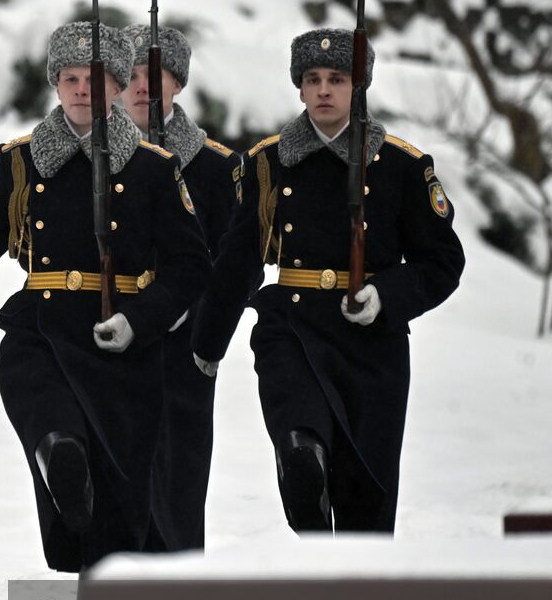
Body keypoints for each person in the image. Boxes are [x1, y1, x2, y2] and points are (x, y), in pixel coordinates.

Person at [0, 21, 211, 571]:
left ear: (119, 87)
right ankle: (57, 453)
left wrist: (139, 320)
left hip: (122, 350)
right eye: (68, 78)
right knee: (54, 428)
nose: (79, 90)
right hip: (40, 333)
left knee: (116, 518)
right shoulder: (19, 164)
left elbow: (191, 267)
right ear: (54, 84)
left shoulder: (153, 170)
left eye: (93, 80)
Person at [191, 27, 464, 533]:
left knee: (367, 498)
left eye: (337, 79)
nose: (323, 90)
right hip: (292, 325)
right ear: (298, 87)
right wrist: (206, 345)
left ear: (358, 88)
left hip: (372, 345)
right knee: (301, 432)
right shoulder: (268, 163)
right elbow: (238, 259)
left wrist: (386, 295)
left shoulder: (401, 167)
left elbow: (443, 260)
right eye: (312, 79)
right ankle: (301, 469)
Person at [121, 23, 245, 550]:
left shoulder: (216, 167)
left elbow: (235, 259)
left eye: (159, 75)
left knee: (178, 476)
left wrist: (198, 324)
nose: (145, 86)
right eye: (132, 75)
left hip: (182, 344)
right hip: (107, 335)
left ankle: (178, 590)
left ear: (178, 83)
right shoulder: (90, 157)